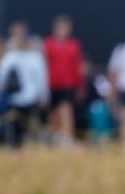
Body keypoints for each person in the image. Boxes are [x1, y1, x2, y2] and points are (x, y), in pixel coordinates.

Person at [0, 28, 47, 148]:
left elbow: (41, 79)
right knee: (15, 123)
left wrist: (43, 95)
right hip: (18, 97)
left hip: (28, 97)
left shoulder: (31, 57)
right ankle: (16, 144)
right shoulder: (14, 57)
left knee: (26, 123)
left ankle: (24, 144)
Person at [42, 15, 82, 147]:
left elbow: (77, 66)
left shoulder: (73, 45)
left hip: (68, 83)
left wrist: (79, 85)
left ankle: (67, 138)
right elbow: (43, 64)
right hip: (51, 84)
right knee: (53, 113)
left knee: (66, 110)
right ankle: (54, 138)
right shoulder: (47, 44)